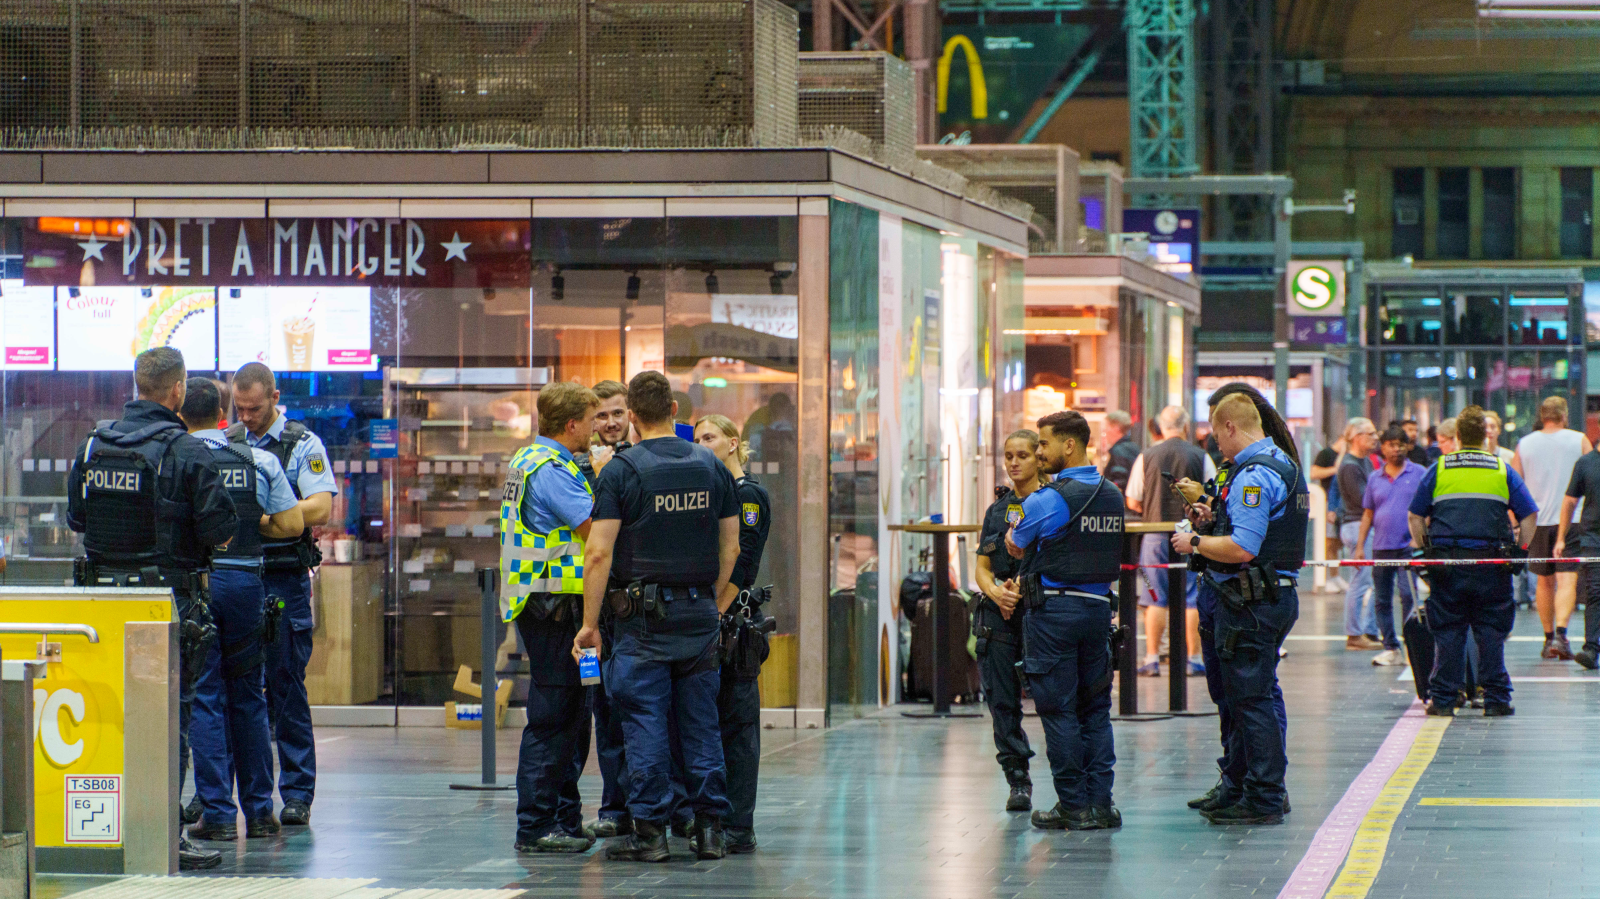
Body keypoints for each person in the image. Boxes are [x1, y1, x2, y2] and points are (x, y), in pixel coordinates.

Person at [67, 348, 238, 871]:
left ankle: (102, 827)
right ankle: (163, 834)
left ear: (136, 384)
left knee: (107, 715)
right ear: (178, 389)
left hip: (100, 605)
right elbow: (221, 529)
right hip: (166, 603)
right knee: (171, 719)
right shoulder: (186, 451)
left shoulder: (94, 444)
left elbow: (77, 519)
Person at [573, 371, 740, 862]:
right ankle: (711, 830)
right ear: (672, 408)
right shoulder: (711, 465)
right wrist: (707, 595)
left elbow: (598, 553)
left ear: (634, 416)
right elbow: (731, 544)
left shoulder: (623, 470)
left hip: (642, 621)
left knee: (644, 722)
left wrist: (589, 623)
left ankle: (650, 835)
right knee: (701, 723)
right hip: (698, 615)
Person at [1172, 391, 1306, 825]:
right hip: (1250, 598)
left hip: (1251, 600)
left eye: (1216, 432)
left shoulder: (1254, 474)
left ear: (1231, 426)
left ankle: (1264, 794)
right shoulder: (1275, 464)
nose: (1215, 444)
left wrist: (1193, 541)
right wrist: (1211, 519)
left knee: (1251, 699)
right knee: (1242, 696)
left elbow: (1243, 547)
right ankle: (1240, 783)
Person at [178, 378, 303, 843]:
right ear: (223, 413)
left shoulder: (178, 457)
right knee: (250, 696)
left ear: (179, 412)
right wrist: (249, 526)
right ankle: (261, 812)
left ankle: (218, 814)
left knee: (208, 696)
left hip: (202, 584)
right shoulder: (259, 459)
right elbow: (292, 524)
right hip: (248, 581)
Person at [228, 362, 339, 826]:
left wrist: (272, 512)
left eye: (254, 408)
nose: (247, 417)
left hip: (281, 580)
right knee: (237, 690)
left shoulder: (300, 443)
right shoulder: (227, 442)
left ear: (274, 396)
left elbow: (321, 507)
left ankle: (296, 793)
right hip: (236, 576)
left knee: (287, 688)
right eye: (240, 408)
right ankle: (231, 793)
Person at [1003, 410, 1122, 832]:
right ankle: (1102, 804)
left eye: (1044, 444)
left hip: (1054, 614)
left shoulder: (1049, 498)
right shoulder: (1112, 494)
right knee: (1096, 710)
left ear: (1068, 445)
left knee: (1059, 711)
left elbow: (1015, 543)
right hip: (1097, 613)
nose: (1039, 452)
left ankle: (1073, 806)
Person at [502, 382, 601, 854]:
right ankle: (536, 825)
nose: (597, 427)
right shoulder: (553, 471)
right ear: (571, 424)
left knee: (571, 716)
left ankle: (561, 817)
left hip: (546, 602)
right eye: (592, 418)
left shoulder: (527, 460)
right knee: (554, 717)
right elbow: (593, 530)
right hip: (555, 605)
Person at [1408, 405, 1537, 717]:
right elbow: (1530, 514)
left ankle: (1442, 700)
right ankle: (1496, 700)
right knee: (1491, 634)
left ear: (1457, 436)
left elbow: (1415, 516)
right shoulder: (1501, 469)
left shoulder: (1439, 469)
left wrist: (1427, 551)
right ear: (1485, 436)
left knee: (1449, 633)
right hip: (1492, 566)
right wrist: (1519, 551)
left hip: (1448, 567)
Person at [693, 414, 773, 853]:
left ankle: (739, 824)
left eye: (710, 436)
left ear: (732, 442)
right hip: (706, 619)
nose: (702, 444)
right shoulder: (708, 494)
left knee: (739, 728)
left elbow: (743, 561)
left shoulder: (748, 496)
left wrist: (715, 611)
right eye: (697, 437)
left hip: (734, 624)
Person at [973, 430, 1044, 812]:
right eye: (1008, 456)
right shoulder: (997, 510)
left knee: (1052, 700)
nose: (1014, 463)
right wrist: (995, 592)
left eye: (1022, 456)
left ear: (1038, 459)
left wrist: (1016, 591)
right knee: (1002, 703)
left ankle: (1073, 782)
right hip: (999, 612)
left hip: (1039, 611)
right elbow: (982, 565)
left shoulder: (1052, 502)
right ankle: (1018, 780)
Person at [574, 378, 633, 839]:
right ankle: (614, 807)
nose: (610, 422)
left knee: (650, 709)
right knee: (606, 709)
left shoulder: (647, 459)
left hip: (642, 603)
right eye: (601, 416)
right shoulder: (578, 467)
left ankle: (660, 804)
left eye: (617, 412)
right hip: (598, 606)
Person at [1126, 405, 1215, 677]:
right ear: (1186, 427)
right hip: (1189, 534)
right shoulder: (1201, 456)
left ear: (1161, 427)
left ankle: (1152, 658)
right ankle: (1194, 659)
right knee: (1191, 597)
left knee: (1155, 597)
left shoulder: (1146, 456)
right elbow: (1212, 497)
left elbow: (1132, 499)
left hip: (1153, 534)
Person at [1511, 396, 1592, 660]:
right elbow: (1593, 475)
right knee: (1567, 578)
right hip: (1574, 519)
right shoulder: (1579, 439)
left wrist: (1516, 521)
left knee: (1543, 582)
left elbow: (1514, 485)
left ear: (1542, 415)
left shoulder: (1524, 445)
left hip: (1537, 520)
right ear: (1564, 415)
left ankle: (1547, 640)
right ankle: (1561, 634)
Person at [1355, 426, 1425, 667]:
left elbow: (1427, 510)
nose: (1397, 448)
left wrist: (1421, 539)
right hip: (1382, 546)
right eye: (1392, 444)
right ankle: (1390, 647)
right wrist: (1360, 546)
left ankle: (1412, 646)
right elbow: (1367, 513)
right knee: (1382, 599)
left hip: (1408, 547)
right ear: (1383, 448)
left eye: (1401, 444)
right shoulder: (1375, 477)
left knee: (1409, 595)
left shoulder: (1420, 473)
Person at [1338, 419, 1382, 650]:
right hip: (1357, 527)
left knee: (1370, 580)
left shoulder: (1364, 462)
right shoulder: (1350, 466)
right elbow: (1364, 500)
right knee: (1361, 581)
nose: (1375, 438)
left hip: (1362, 526)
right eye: (1371, 434)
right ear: (1357, 437)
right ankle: (1354, 634)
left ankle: (1369, 630)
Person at [1556, 437, 1600, 670]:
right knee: (1594, 591)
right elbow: (1570, 501)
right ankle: (1591, 648)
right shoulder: (1585, 463)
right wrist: (1561, 537)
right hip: (1593, 536)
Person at [1309, 434, 1349, 594]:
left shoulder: (1348, 456)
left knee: (1337, 541)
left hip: (1342, 504)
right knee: (1329, 541)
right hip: (1326, 503)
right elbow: (1314, 473)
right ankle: (1331, 577)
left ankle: (1335, 575)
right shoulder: (1326, 454)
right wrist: (1336, 469)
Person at [1100, 410, 1139, 493]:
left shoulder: (1119, 450)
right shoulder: (1133, 447)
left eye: (1107, 427)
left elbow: (1119, 482)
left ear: (1116, 428)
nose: (1105, 432)